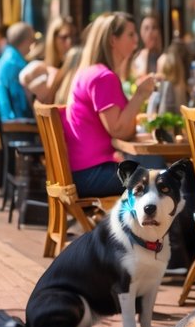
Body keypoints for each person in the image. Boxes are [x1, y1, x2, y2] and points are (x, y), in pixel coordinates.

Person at [62, 11, 156, 199]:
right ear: (113, 40)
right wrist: (140, 94)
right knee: (165, 180)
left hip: (84, 171)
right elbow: (119, 130)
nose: (136, 40)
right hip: (92, 173)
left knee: (155, 173)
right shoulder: (104, 77)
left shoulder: (90, 72)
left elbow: (124, 129)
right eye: (130, 34)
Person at [20, 16, 77, 104]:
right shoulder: (40, 64)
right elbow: (23, 79)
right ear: (53, 38)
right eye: (64, 37)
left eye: (73, 36)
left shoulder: (74, 64)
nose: (70, 42)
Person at [0, 22, 36, 122]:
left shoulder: (6, 59)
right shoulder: (16, 65)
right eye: (32, 40)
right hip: (14, 127)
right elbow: (22, 105)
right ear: (27, 41)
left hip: (0, 124)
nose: (33, 43)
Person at [129, 11, 164, 81]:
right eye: (146, 28)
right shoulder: (136, 58)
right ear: (141, 32)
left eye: (154, 28)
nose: (150, 32)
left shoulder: (166, 57)